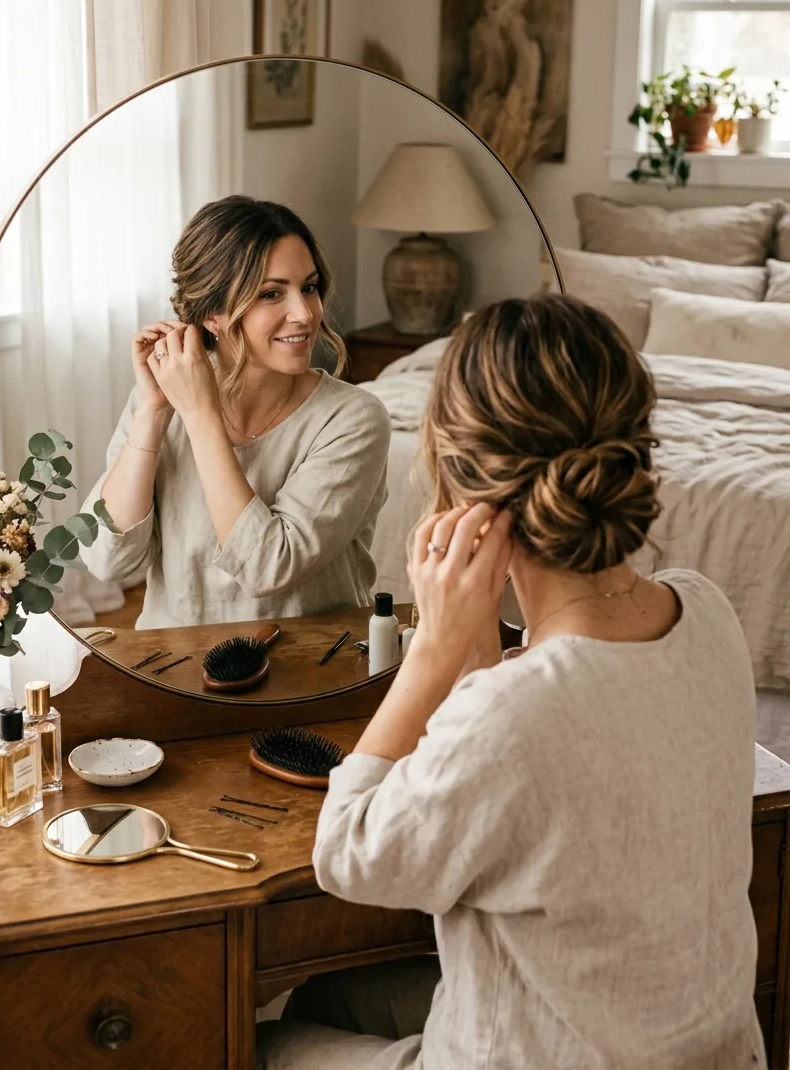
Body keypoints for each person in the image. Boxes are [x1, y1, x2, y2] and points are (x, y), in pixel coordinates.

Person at [257, 293, 765, 1069]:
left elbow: (349, 853)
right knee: (333, 994)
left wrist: (431, 654)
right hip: (707, 1051)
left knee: (268, 1038)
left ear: (468, 489)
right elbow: (535, 750)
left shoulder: (513, 715)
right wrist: (478, 660)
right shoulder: (709, 611)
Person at [80, 196, 390, 628]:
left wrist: (201, 416)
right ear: (212, 314)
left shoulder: (354, 419)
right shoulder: (162, 400)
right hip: (173, 668)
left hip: (310, 670)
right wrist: (153, 411)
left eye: (310, 287)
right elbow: (105, 561)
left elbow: (269, 567)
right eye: (271, 294)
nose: (304, 314)